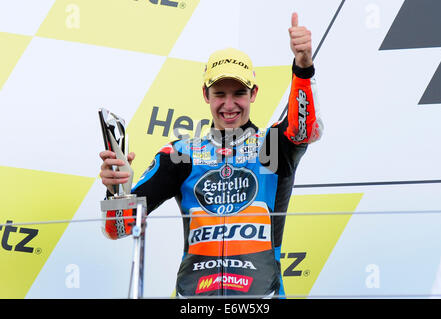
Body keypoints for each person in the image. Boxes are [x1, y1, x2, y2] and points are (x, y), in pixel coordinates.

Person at [99, 12, 323, 298]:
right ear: (206, 94)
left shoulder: (272, 144)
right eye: (220, 93)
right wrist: (116, 189)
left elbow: (304, 129)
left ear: (253, 93)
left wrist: (303, 68)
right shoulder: (181, 154)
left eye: (238, 93)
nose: (229, 105)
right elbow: (119, 227)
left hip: (261, 298)